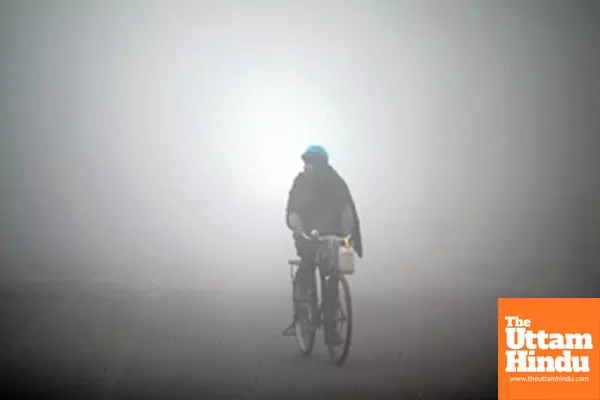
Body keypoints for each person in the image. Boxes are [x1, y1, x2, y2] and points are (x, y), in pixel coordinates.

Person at [283, 145, 363, 345]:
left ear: (321, 163)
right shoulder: (300, 183)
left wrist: (346, 232)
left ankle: (330, 324)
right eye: (306, 162)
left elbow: (346, 209)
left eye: (312, 162)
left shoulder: (335, 182)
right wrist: (298, 227)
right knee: (307, 265)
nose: (308, 166)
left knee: (332, 277)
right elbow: (293, 209)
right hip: (307, 236)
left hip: (331, 236)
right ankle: (302, 310)